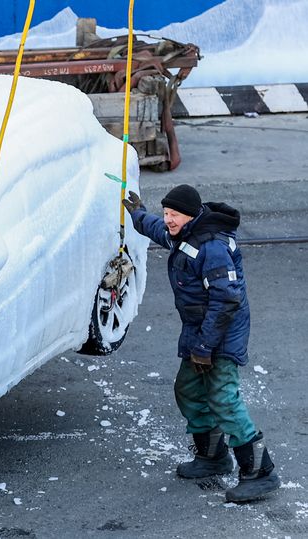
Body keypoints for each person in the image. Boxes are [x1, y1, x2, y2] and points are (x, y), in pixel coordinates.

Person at [122, 185, 280, 503]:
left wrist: (205, 348)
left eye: (173, 215)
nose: (168, 220)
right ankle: (212, 456)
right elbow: (158, 229)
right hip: (200, 331)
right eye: (166, 213)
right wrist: (137, 213)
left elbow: (226, 300)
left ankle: (261, 473)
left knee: (223, 399)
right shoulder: (183, 231)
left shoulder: (213, 246)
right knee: (190, 390)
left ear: (190, 216)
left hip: (221, 333)